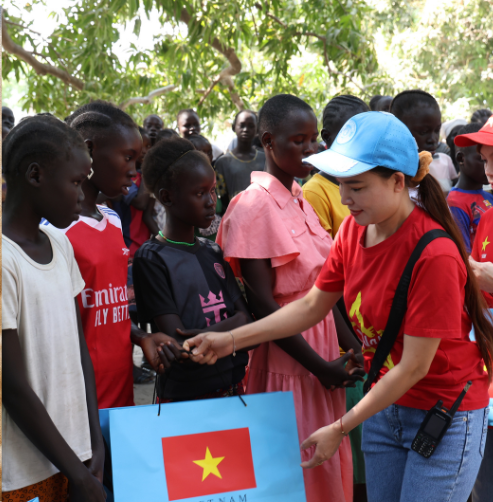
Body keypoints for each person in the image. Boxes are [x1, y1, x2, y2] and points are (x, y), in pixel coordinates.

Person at [182, 111, 493, 501]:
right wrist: (229, 340)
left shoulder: (435, 254)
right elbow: (312, 305)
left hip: (444, 414)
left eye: (358, 187)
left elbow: (414, 366)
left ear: (397, 182)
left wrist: (342, 426)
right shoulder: (353, 229)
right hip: (384, 408)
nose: (345, 199)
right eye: (342, 185)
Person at [217, 94, 361, 502]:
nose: (309, 149)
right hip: (290, 360)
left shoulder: (300, 198)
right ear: (267, 141)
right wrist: (319, 367)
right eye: (297, 140)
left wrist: (352, 347)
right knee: (296, 472)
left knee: (327, 466)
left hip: (323, 354)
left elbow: (324, 287)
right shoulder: (252, 206)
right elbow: (263, 305)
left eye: (313, 140)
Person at [2, 116, 107, 502]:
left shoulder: (59, 244)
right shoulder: (4, 259)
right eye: (76, 183)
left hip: (76, 455)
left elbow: (79, 350)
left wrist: (94, 438)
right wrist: (76, 475)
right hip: (23, 470)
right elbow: (11, 385)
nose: (82, 196)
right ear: (35, 175)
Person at [59, 105, 164, 413]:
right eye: (128, 157)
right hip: (80, 401)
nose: (134, 170)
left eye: (138, 159)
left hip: (121, 390)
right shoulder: (56, 232)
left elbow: (110, 305)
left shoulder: (112, 219)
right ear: (89, 151)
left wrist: (141, 337)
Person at [132, 137, 253, 402]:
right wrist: (233, 333)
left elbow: (248, 323)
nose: (211, 202)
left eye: (212, 191)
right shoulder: (152, 259)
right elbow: (181, 345)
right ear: (167, 197)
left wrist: (206, 335)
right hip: (186, 399)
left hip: (233, 390)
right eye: (200, 193)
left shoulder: (212, 252)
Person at [303, 94, 366, 236]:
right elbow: (323, 255)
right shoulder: (315, 192)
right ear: (326, 137)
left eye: (365, 134)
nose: (361, 142)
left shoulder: (373, 181)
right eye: (351, 134)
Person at [212, 107, 266, 212]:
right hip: (234, 216)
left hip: (262, 215)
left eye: (251, 126)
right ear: (233, 127)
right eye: (242, 125)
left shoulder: (265, 159)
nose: (246, 129)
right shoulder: (223, 163)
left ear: (257, 130)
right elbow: (222, 198)